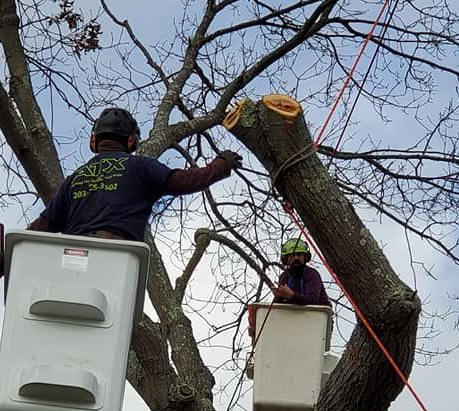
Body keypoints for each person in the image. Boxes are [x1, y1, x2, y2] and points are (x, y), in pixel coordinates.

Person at [27, 107, 242, 241]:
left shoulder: (74, 180)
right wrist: (221, 165)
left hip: (73, 260)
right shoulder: (140, 166)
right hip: (118, 258)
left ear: (94, 141)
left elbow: (39, 229)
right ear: (131, 141)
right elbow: (184, 182)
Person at [274, 238, 328, 306]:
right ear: (286, 259)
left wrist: (291, 295)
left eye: (299, 254)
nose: (296, 258)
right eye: (293, 255)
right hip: (293, 314)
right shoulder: (284, 277)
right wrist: (279, 296)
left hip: (316, 314)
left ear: (305, 257)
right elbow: (279, 304)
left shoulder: (311, 274)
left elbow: (313, 300)